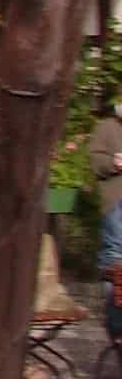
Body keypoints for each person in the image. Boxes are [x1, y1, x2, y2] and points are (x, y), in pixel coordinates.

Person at [91, 107, 122, 337]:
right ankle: (116, 325)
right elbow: (95, 161)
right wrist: (114, 163)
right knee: (115, 262)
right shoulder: (107, 127)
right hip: (117, 204)